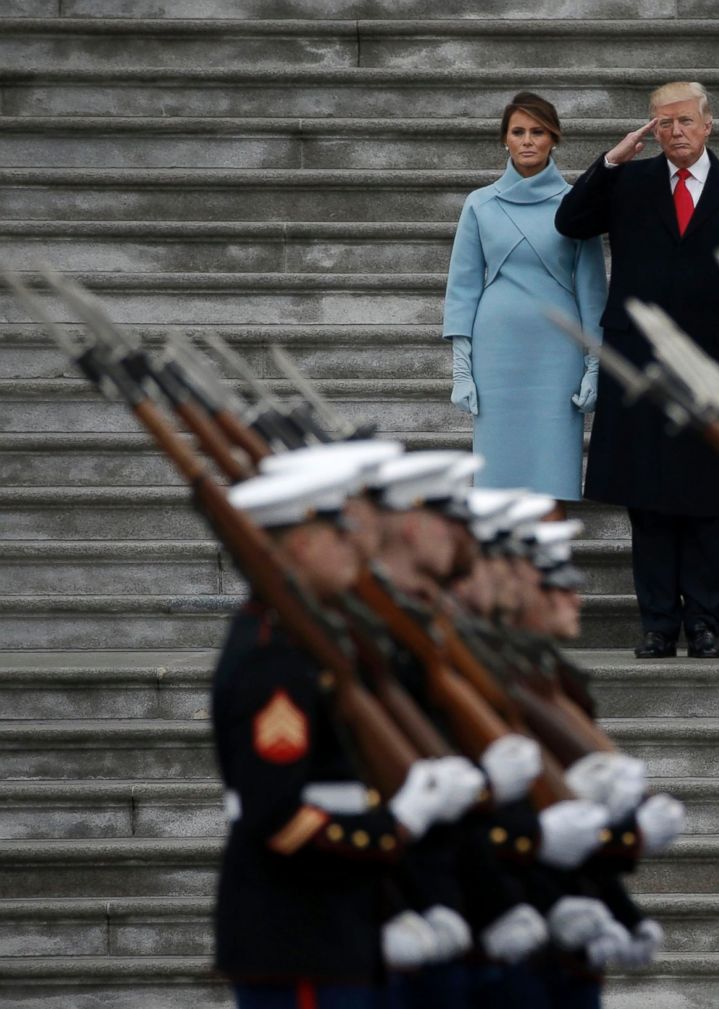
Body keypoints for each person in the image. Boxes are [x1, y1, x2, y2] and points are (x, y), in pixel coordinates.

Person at [213, 463, 483, 1009]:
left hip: (336, 922)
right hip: (299, 931)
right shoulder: (274, 659)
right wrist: (394, 825)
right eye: (339, 535)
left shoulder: (306, 643)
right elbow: (279, 818)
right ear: (303, 547)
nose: (356, 547)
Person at [555, 80, 719, 660]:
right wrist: (609, 161)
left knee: (707, 496)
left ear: (709, 125)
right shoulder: (628, 181)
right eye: (663, 123)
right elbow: (570, 221)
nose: (674, 132)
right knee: (648, 495)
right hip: (641, 363)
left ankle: (706, 621)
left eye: (684, 122)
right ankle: (657, 622)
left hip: (714, 364)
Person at [444, 92, 607, 512]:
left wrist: (595, 365)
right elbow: (462, 286)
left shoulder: (577, 204)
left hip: (557, 359)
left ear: (554, 139)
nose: (528, 141)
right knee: (497, 487)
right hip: (497, 358)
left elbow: (592, 288)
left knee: (552, 479)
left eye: (538, 132)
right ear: (505, 140)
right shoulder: (479, 203)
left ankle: (549, 575)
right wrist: (462, 368)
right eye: (518, 132)